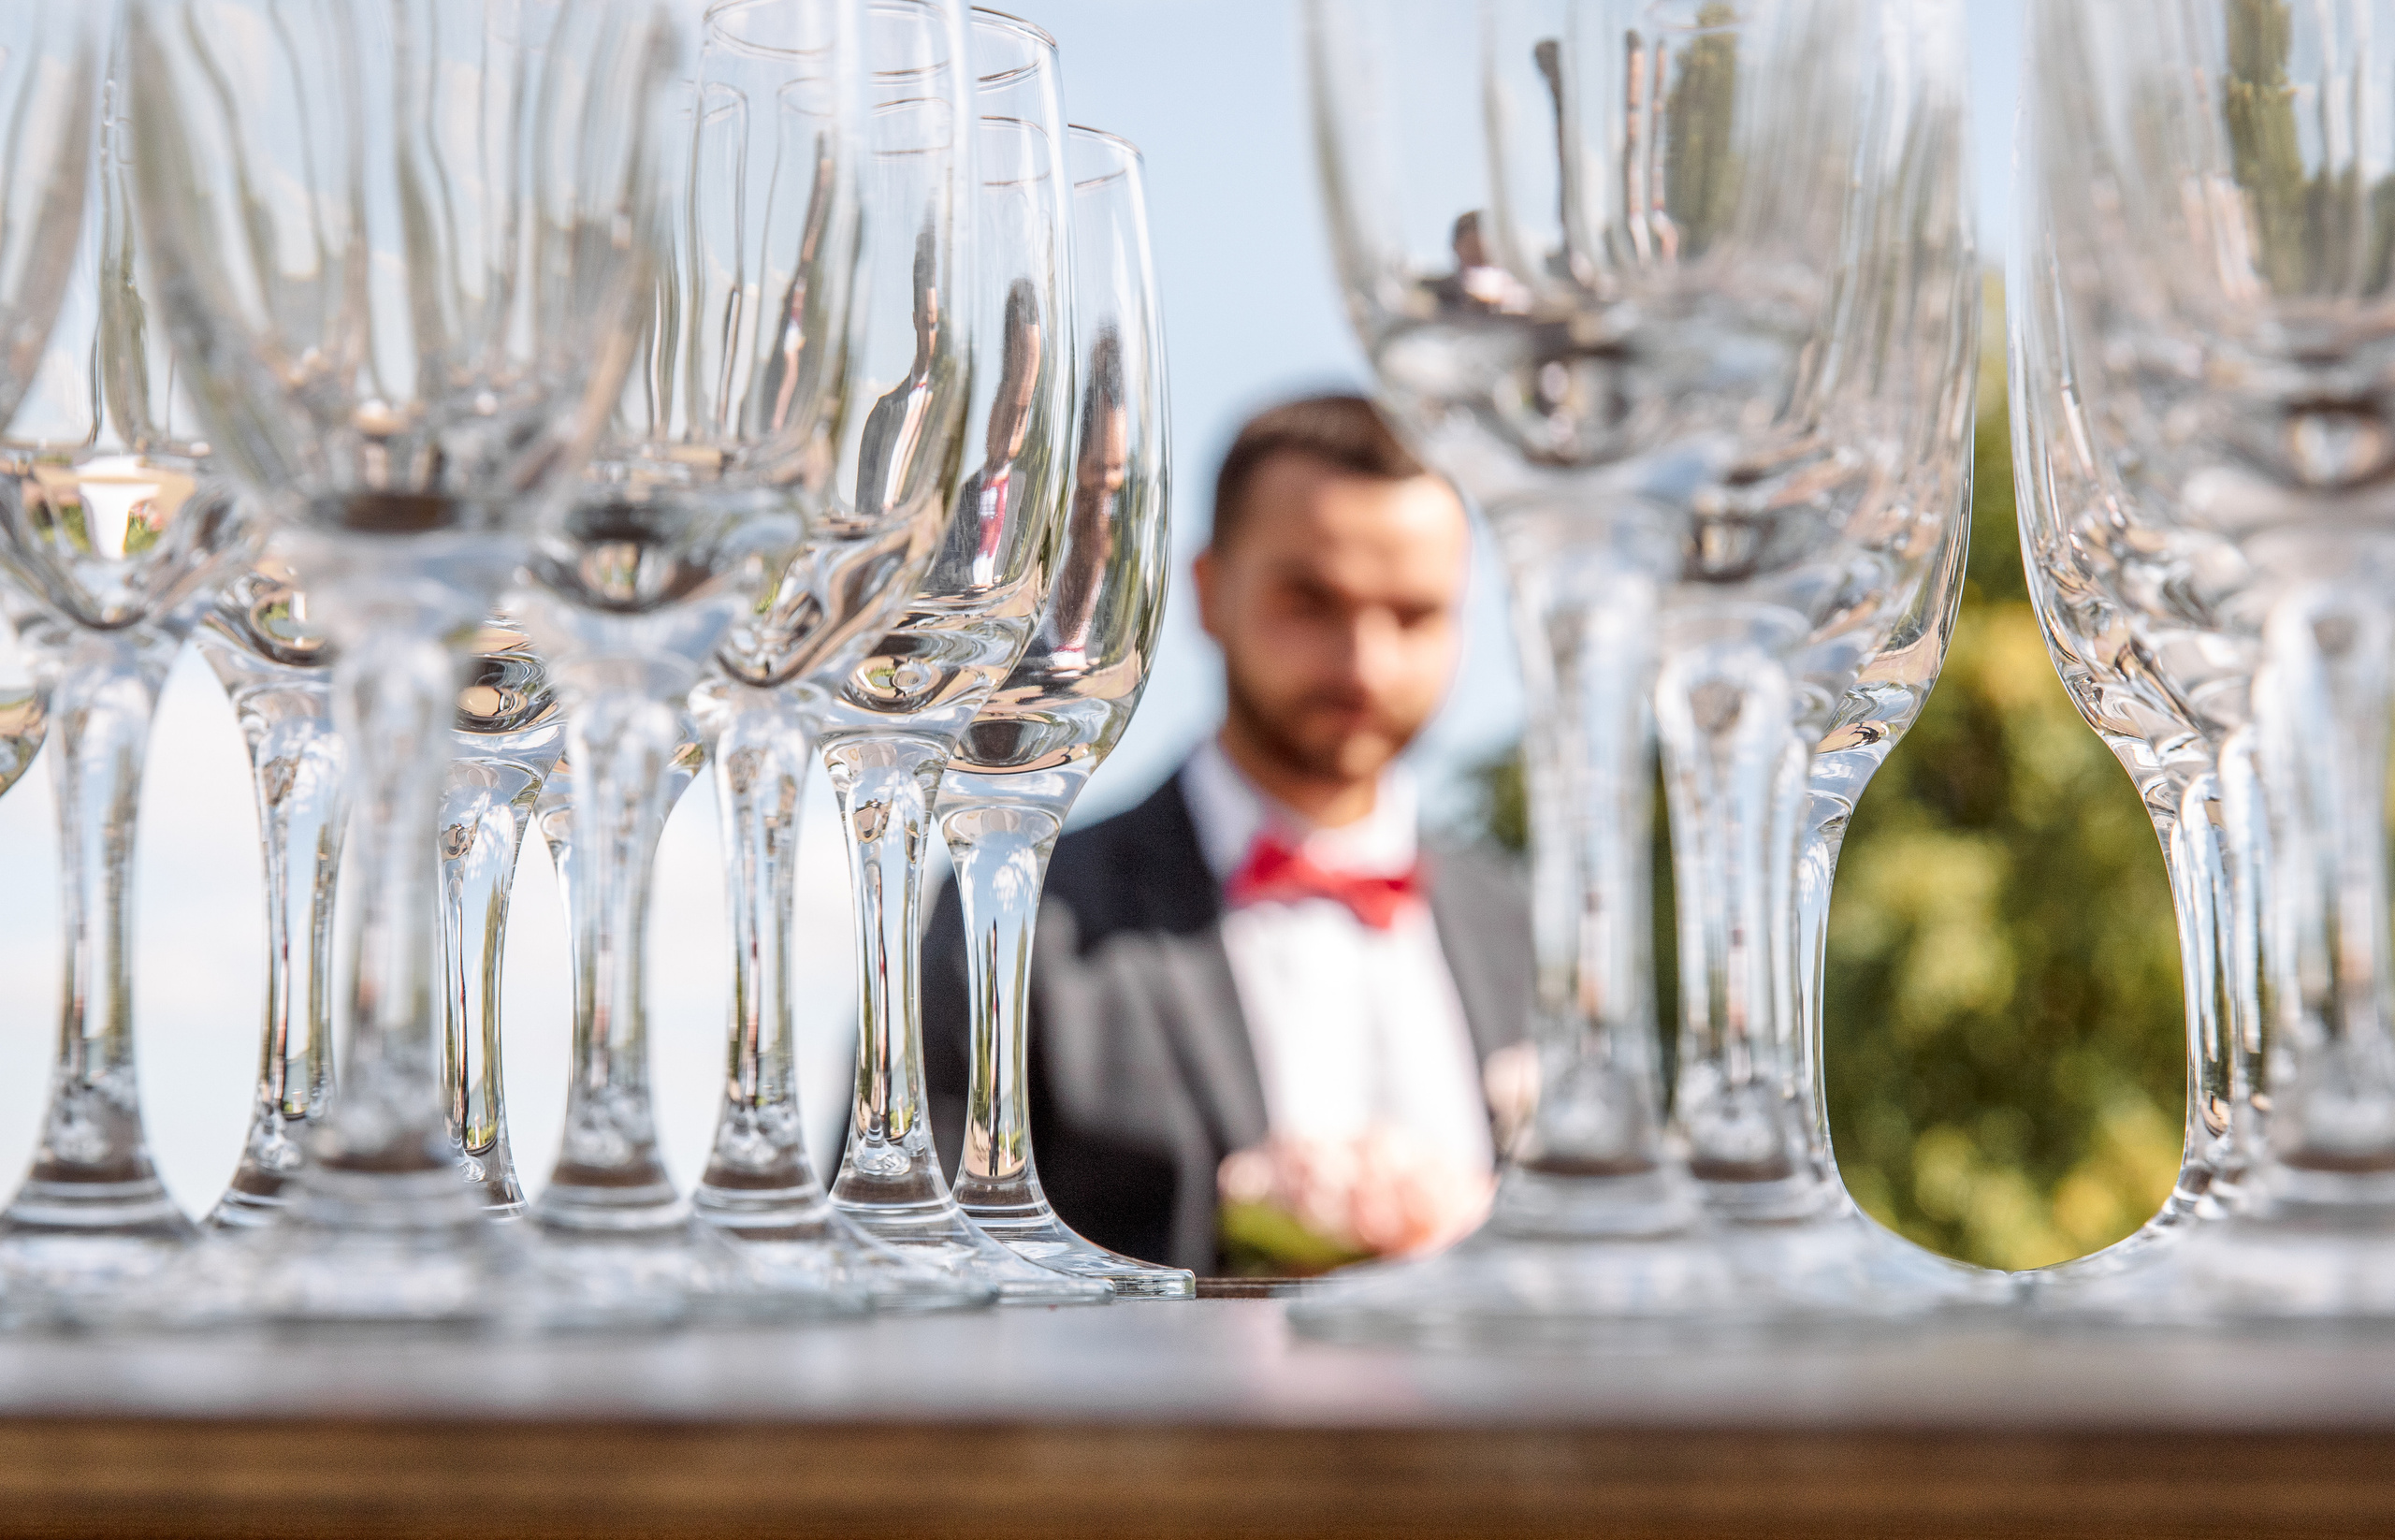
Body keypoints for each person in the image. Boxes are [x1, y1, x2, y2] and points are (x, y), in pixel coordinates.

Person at [923, 395, 1530, 1273]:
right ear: (1208, 592)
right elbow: (914, 1267)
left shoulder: (1520, 926)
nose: (1365, 662)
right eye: (1310, 601)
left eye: (1414, 614)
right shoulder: (1024, 917)